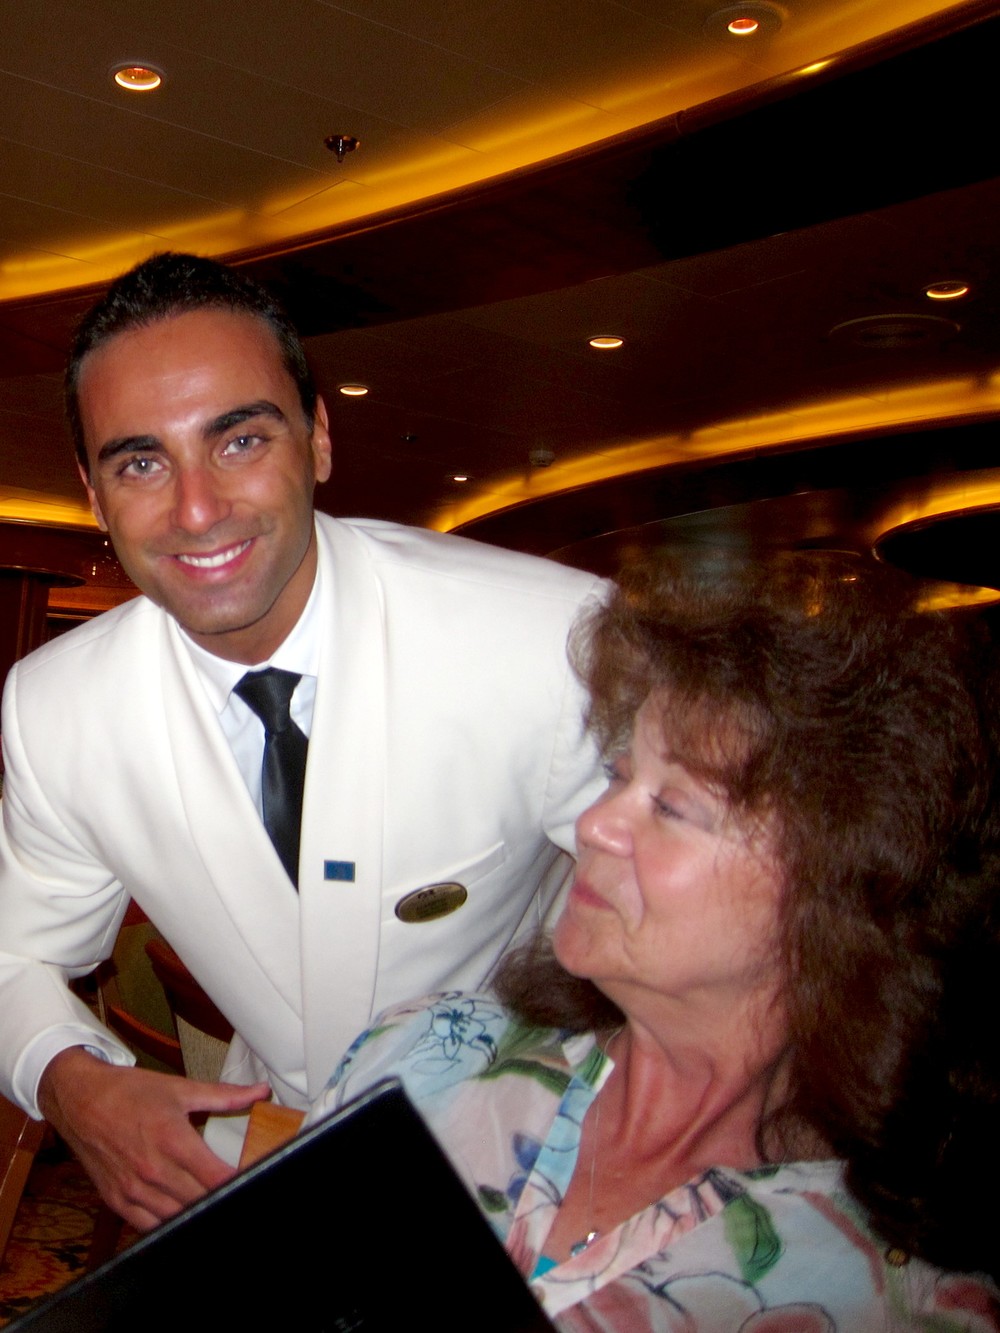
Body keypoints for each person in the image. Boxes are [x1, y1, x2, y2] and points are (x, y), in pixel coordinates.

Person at [0, 253, 606, 1231]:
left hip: (551, 1170)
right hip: (277, 1162)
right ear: (92, 492)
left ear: (318, 438)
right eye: (141, 463)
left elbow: (724, 947)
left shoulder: (548, 641)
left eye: (239, 440)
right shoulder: (59, 707)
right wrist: (71, 1081)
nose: (197, 510)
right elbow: (9, 956)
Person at [311, 552, 1000, 1329]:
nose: (593, 825)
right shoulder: (421, 1057)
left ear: (834, 893)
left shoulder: (894, 1290)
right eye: (616, 775)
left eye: (672, 807)